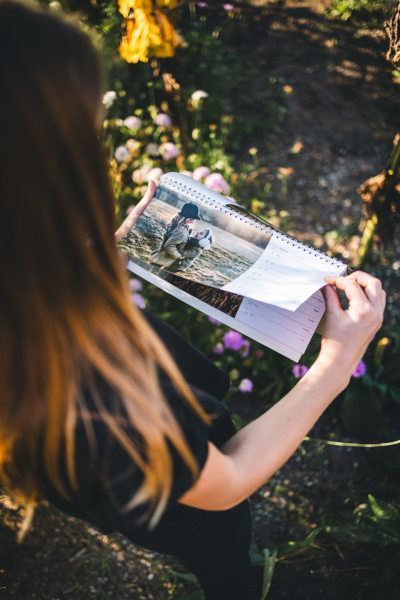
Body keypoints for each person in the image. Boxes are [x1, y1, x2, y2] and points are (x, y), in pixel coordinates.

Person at [0, 3, 386, 600]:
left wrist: (103, 249)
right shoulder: (98, 395)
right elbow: (226, 479)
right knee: (225, 554)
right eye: (84, 144)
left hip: (124, 454)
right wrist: (338, 359)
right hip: (190, 508)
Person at [150, 202, 201, 268]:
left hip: (159, 257)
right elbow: (169, 245)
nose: (192, 220)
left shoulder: (176, 225)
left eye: (194, 219)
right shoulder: (182, 231)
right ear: (184, 217)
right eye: (191, 218)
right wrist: (178, 256)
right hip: (163, 261)